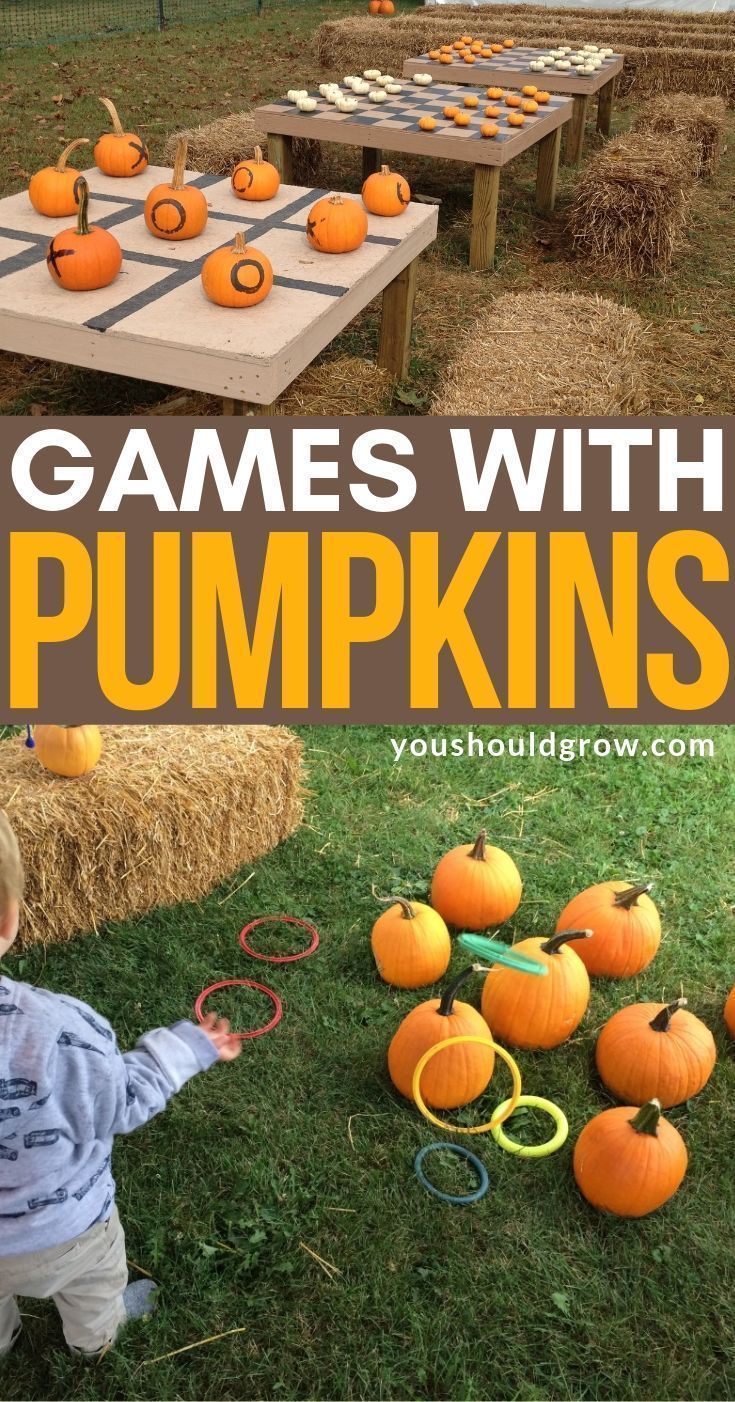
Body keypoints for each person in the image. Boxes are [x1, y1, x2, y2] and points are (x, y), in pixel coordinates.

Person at [0, 811, 241, 1358]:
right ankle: (95, 1341)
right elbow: (122, 1100)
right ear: (7, 918)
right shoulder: (54, 1031)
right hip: (70, 1230)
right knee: (93, 1288)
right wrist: (187, 1048)